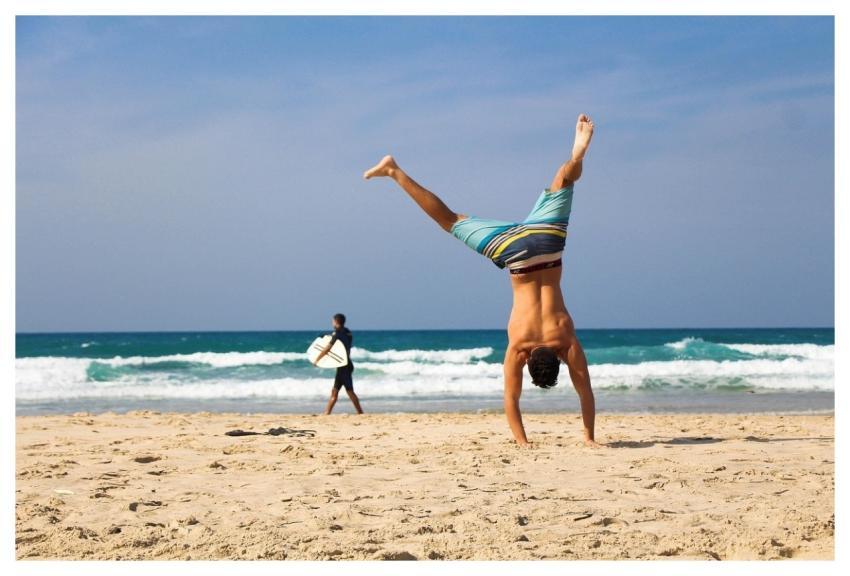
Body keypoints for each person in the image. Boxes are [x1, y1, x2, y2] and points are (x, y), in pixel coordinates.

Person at [364, 114, 600, 447]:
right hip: (514, 256)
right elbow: (512, 399)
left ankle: (576, 156)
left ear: (557, 360)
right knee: (450, 220)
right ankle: (394, 171)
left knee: (565, 178)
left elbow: (586, 393)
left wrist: (588, 437)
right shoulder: (520, 346)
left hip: (547, 243)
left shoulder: (565, 340)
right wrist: (523, 441)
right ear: (529, 362)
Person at [313, 313, 364, 415]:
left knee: (349, 391)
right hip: (347, 364)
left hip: (343, 367)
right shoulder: (348, 333)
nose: (332, 323)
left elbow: (328, 348)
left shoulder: (336, 334)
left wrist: (317, 359)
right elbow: (346, 349)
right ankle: (327, 413)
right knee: (335, 391)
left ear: (336, 321)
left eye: (332, 321)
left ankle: (360, 413)